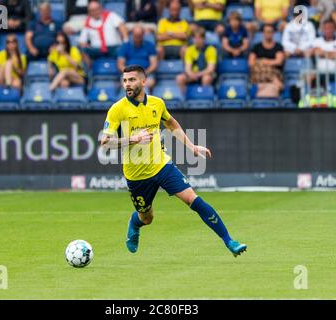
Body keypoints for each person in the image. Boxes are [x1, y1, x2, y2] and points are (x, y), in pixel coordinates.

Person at [100, 64, 247, 257]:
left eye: (132, 79)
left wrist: (192, 146)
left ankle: (229, 241)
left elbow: (170, 123)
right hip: (136, 175)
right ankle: (134, 223)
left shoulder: (157, 104)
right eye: (125, 80)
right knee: (147, 218)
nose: (127, 84)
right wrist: (133, 139)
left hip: (162, 165)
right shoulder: (117, 109)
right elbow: (105, 143)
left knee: (193, 200)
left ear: (143, 81)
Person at [78, 1, 129, 65]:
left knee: (123, 50)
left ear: (101, 8)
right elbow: (82, 41)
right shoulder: (87, 22)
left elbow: (122, 26)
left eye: (97, 9)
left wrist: (125, 41)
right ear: (89, 12)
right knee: (83, 50)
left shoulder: (110, 15)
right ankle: (89, 72)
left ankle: (123, 71)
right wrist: (86, 45)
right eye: (92, 10)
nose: (95, 12)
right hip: (97, 49)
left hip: (114, 47)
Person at [310, 19, 336, 90]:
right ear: (322, 30)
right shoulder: (317, 41)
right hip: (320, 73)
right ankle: (311, 97)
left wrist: (323, 53)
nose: (328, 30)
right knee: (308, 76)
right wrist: (333, 54)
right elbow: (315, 52)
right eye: (326, 28)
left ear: (334, 29)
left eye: (330, 28)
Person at [176, 28, 217, 93]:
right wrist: (191, 74)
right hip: (193, 74)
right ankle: (184, 98)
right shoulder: (190, 49)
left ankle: (204, 97)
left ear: (204, 39)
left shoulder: (211, 50)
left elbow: (210, 69)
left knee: (206, 78)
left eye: (199, 38)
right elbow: (187, 67)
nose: (197, 40)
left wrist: (198, 75)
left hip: (205, 73)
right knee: (180, 78)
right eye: (195, 38)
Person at [117, 25, 158, 90]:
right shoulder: (125, 46)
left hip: (145, 73)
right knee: (126, 83)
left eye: (139, 36)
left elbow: (154, 64)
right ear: (132, 34)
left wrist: (144, 73)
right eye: (136, 36)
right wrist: (130, 73)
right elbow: (120, 64)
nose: (137, 38)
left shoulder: (150, 46)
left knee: (149, 83)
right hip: (129, 74)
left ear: (143, 35)